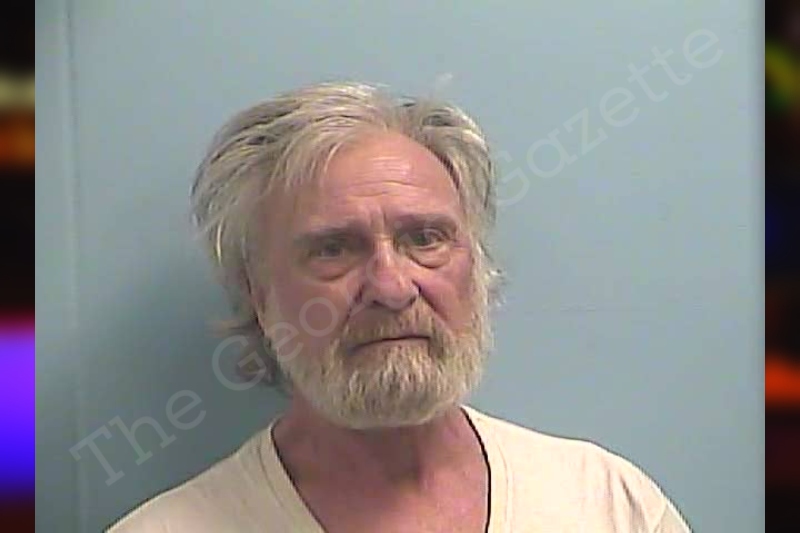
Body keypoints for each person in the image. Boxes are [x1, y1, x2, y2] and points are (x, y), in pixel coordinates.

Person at [109, 81, 691, 532]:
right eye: (334, 249)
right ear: (259, 297)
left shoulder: (608, 505)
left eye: (425, 239)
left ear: (477, 270)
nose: (391, 288)